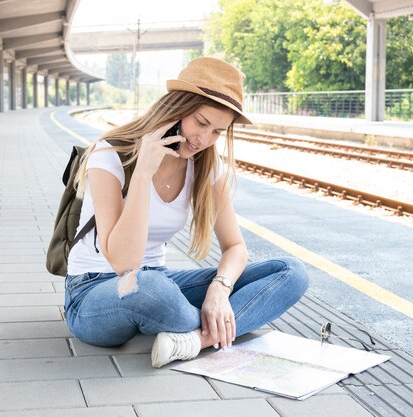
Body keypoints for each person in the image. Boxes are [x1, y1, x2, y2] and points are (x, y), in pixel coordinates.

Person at [64, 57, 309, 368]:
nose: (203, 140)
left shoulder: (206, 167)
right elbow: (124, 264)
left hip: (159, 281)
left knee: (290, 271)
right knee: (154, 290)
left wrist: (220, 291)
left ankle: (195, 340)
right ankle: (215, 327)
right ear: (175, 110)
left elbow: (235, 248)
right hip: (94, 290)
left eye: (218, 132)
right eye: (201, 123)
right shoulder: (111, 155)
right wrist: (142, 174)